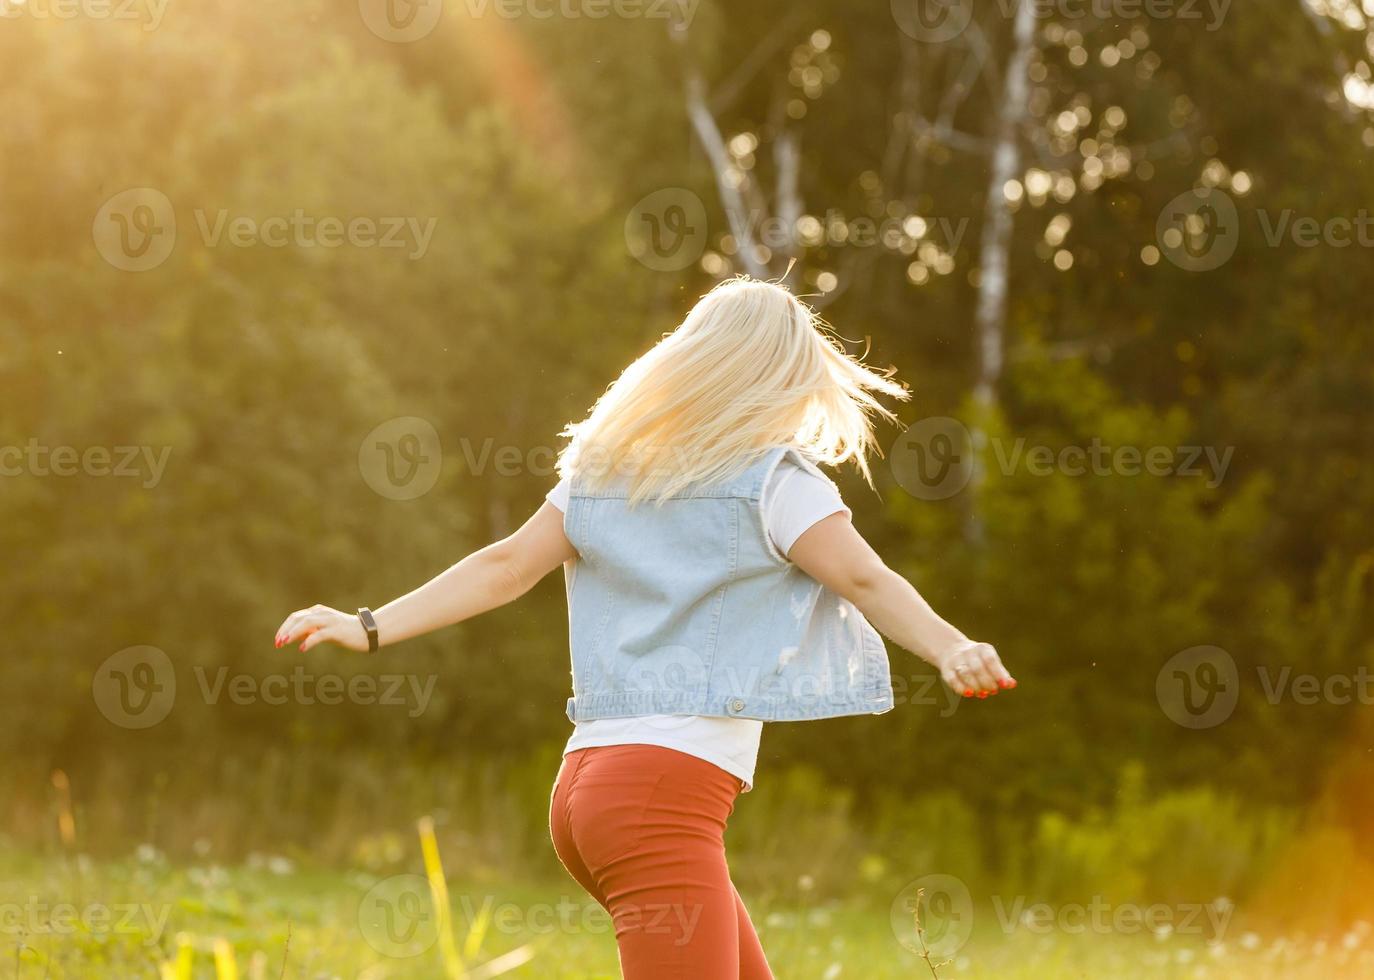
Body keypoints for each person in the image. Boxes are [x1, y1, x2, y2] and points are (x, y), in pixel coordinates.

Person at [273, 277, 1016, 979]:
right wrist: (951, 644)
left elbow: (505, 567)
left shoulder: (609, 472)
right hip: (661, 797)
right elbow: (863, 578)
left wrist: (369, 624)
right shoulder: (774, 482)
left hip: (588, 788)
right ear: (784, 378)